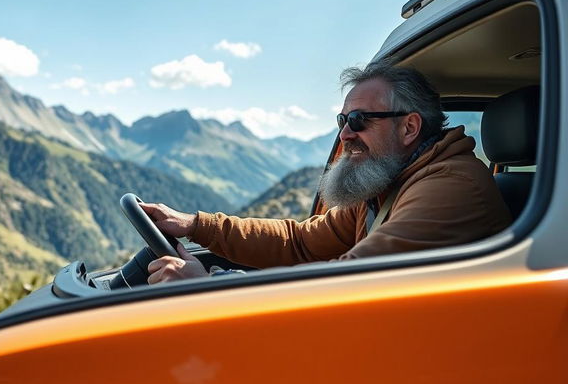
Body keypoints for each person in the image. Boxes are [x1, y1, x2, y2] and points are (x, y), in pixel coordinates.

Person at [142, 62, 512, 284]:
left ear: (409, 128)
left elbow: (347, 283)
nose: (345, 134)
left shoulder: (449, 188)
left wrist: (209, 286)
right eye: (342, 120)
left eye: (359, 120)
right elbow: (301, 243)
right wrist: (195, 224)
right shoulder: (385, 183)